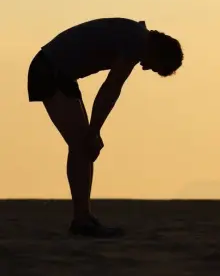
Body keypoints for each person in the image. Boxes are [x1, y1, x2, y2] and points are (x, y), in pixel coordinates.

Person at [27, 17, 183, 238]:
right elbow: (110, 89)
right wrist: (94, 130)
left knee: (84, 146)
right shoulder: (135, 43)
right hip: (48, 70)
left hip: (61, 74)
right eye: (156, 67)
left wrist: (93, 131)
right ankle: (81, 221)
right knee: (81, 144)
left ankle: (84, 216)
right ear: (158, 53)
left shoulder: (136, 35)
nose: (147, 69)